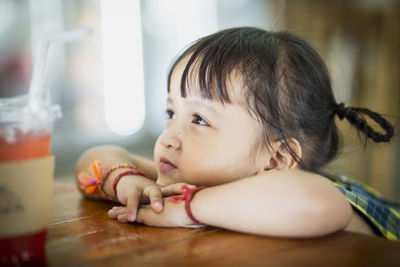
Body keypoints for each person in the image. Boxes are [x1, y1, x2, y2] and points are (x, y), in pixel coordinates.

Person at [75, 27, 399, 240]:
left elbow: (322, 201)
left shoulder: (306, 197)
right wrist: (126, 181)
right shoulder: (197, 171)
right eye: (171, 113)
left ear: (276, 160)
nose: (169, 137)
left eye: (199, 120)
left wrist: (190, 207)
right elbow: (93, 159)